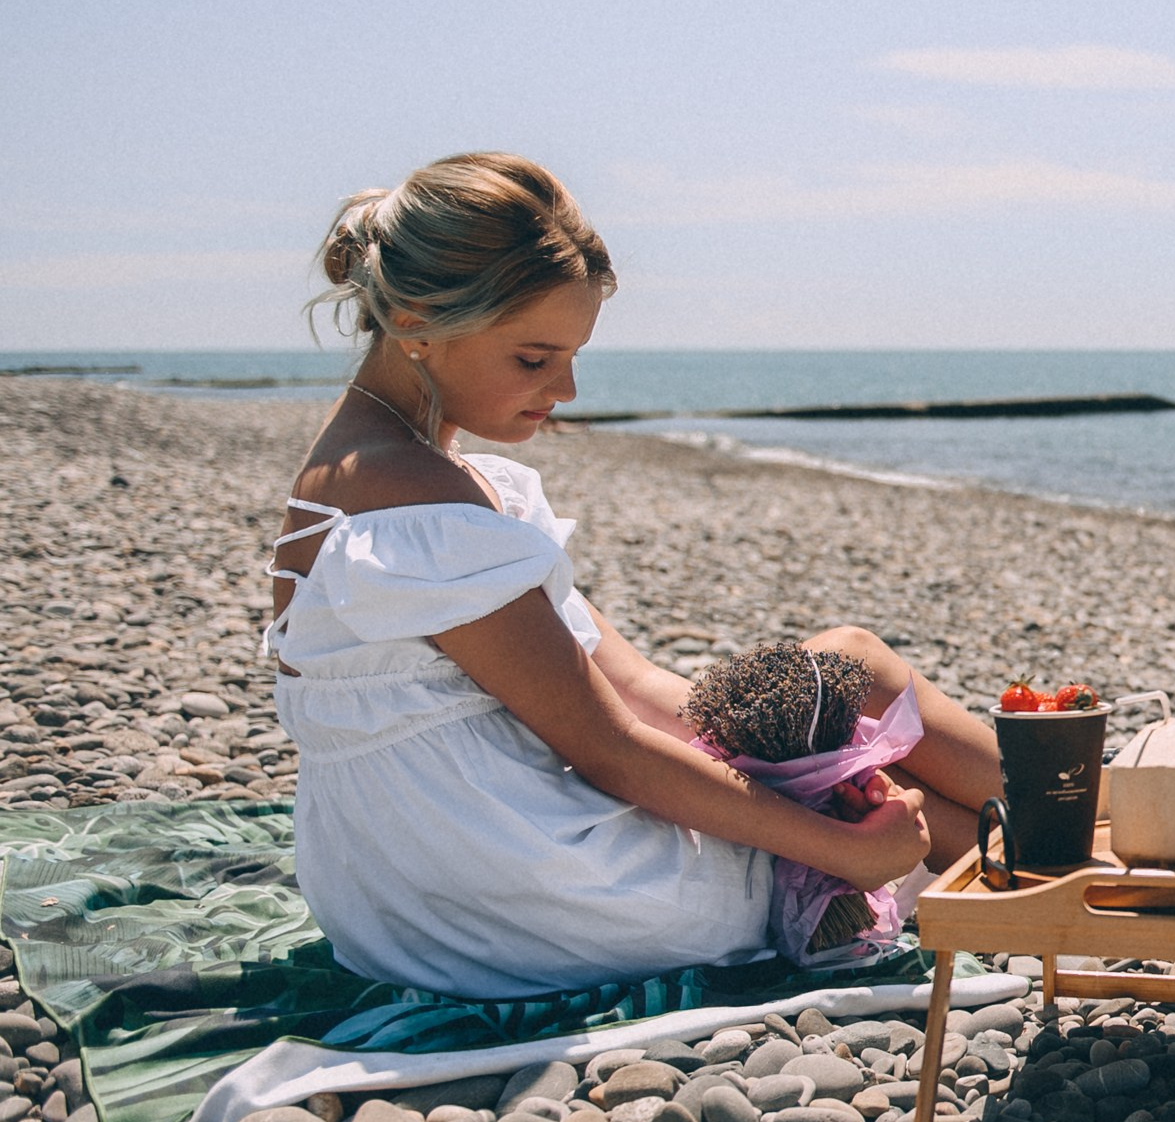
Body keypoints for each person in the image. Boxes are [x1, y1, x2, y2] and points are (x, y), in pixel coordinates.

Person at [266, 151, 1001, 997]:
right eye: (534, 359)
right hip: (523, 892)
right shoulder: (413, 498)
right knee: (853, 707)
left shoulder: (386, 468)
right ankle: (1083, 841)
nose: (567, 388)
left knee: (841, 700)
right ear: (414, 321)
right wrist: (846, 847)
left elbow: (638, 688)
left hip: (424, 883)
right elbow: (612, 750)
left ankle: (1066, 847)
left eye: (572, 355)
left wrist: (805, 751)